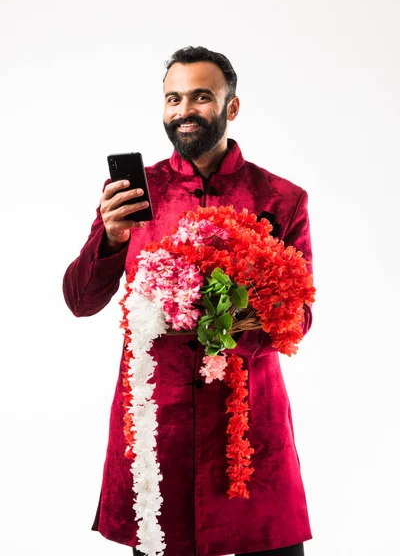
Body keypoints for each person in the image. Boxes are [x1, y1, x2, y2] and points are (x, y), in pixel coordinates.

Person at [62, 46, 314, 556]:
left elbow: (300, 316)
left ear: (231, 107)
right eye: (173, 98)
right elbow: (80, 301)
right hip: (160, 422)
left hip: (248, 423)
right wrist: (109, 239)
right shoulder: (135, 192)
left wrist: (227, 323)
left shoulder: (280, 198)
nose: (184, 110)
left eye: (201, 97)